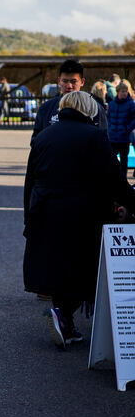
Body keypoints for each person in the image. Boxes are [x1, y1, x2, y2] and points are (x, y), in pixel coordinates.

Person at [24, 91, 135, 347]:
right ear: (89, 110)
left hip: (45, 212)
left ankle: (65, 321)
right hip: (82, 214)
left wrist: (28, 217)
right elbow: (113, 179)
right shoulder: (94, 136)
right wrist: (130, 202)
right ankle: (64, 317)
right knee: (82, 270)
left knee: (58, 267)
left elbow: (30, 181)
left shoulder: (43, 136)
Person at [31, 59, 108, 141]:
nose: (69, 86)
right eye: (65, 81)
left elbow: (103, 140)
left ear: (82, 82)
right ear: (59, 81)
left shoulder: (94, 109)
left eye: (73, 81)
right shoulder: (46, 108)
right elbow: (36, 141)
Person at [107, 82, 135, 181]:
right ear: (118, 92)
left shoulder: (131, 104)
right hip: (113, 137)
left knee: (124, 160)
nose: (125, 93)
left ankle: (123, 180)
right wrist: (110, 128)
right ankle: (113, 179)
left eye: (126, 91)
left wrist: (127, 129)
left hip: (124, 138)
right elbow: (108, 118)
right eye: (123, 91)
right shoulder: (112, 104)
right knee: (112, 160)